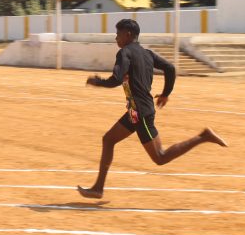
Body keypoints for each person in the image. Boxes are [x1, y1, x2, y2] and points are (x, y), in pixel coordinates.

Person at [77, 19, 227, 199]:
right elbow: (170, 68)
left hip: (140, 113)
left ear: (128, 35)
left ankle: (203, 137)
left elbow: (116, 79)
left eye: (118, 34)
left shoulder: (124, 53)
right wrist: (165, 93)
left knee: (160, 157)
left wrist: (97, 82)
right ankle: (98, 188)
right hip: (136, 111)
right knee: (108, 139)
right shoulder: (146, 53)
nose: (116, 37)